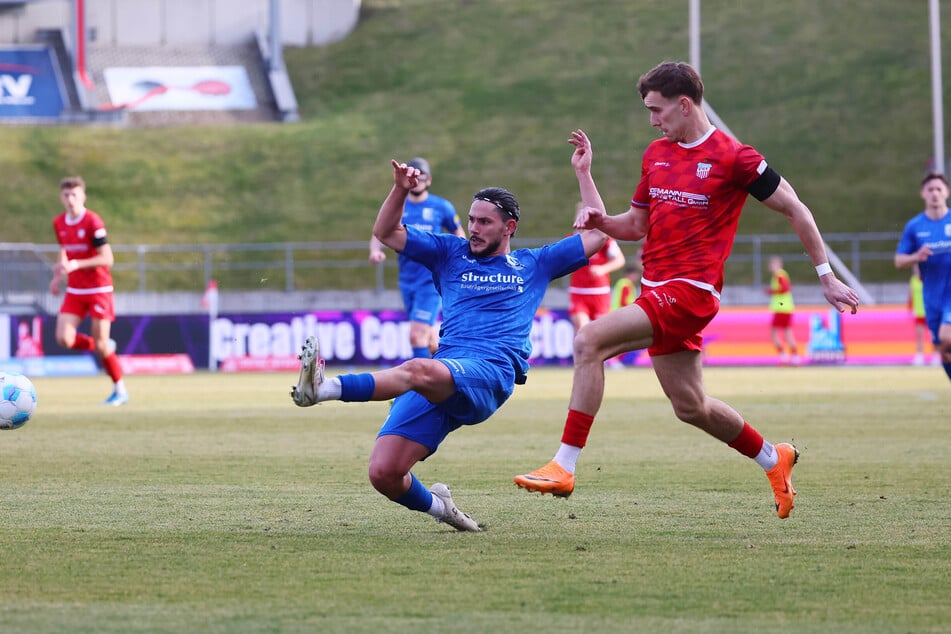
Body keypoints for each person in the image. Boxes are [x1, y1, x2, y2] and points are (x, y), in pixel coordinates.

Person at [513, 62, 860, 520]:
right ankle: (775, 460)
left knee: (587, 340)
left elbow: (796, 209)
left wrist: (826, 275)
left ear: (684, 104)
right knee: (691, 406)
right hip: (656, 289)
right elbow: (634, 225)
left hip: (691, 292)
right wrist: (591, 194)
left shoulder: (735, 158)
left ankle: (564, 464)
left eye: (657, 110)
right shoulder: (656, 153)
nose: (653, 120)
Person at [291, 155, 608, 531]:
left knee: (417, 367)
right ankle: (444, 510)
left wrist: (583, 174)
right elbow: (387, 232)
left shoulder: (533, 264)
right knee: (384, 472)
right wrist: (399, 190)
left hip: (489, 374)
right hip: (444, 371)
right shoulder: (449, 253)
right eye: (471, 220)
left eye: (484, 222)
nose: (473, 228)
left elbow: (598, 236)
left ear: (509, 227)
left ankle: (324, 389)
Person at [368, 157, 465, 359]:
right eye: (415, 177)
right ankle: (455, 370)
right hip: (407, 280)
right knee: (429, 340)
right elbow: (379, 231)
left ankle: (422, 386)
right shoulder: (399, 207)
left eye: (423, 177)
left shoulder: (441, 207)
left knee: (416, 335)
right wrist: (375, 250)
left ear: (429, 180)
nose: (419, 181)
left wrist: (461, 262)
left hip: (431, 281)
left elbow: (459, 234)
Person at [49, 176, 128, 405]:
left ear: (83, 196)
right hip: (75, 289)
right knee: (64, 338)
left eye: (75, 194)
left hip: (99, 288)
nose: (70, 199)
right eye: (66, 195)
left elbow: (107, 258)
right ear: (61, 197)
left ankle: (120, 389)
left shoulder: (93, 221)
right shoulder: (59, 223)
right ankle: (102, 346)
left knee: (101, 343)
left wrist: (77, 264)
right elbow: (64, 249)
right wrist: (58, 275)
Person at [895, 172, 951, 382]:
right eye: (930, 189)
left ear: (946, 192)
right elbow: (899, 261)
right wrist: (916, 257)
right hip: (931, 297)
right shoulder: (915, 226)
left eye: (939, 189)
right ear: (923, 194)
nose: (935, 193)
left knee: (947, 337)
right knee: (943, 350)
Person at [568, 201, 627, 335]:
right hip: (579, 292)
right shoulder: (571, 239)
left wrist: (602, 269)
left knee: (600, 334)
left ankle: (602, 356)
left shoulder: (603, 239)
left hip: (599, 292)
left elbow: (619, 260)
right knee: (582, 331)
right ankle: (580, 355)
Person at [765, 255, 800, 365]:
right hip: (786, 308)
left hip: (782, 308)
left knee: (774, 333)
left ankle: (784, 356)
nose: (771, 266)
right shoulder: (781, 274)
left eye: (773, 264)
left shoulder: (779, 275)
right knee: (787, 332)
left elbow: (785, 288)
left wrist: (772, 291)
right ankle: (794, 356)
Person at [908, 263, 934, 366]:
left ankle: (935, 355)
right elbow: (911, 296)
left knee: (933, 336)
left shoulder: (929, 279)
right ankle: (919, 356)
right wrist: (910, 308)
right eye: (915, 268)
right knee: (919, 336)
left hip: (929, 312)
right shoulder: (913, 280)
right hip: (918, 312)